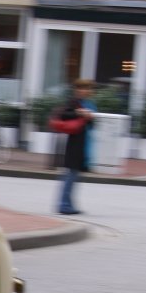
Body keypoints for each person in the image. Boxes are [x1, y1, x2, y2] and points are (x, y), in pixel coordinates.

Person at [51, 78, 97, 215]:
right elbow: (63, 115)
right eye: (82, 88)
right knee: (70, 176)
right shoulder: (73, 102)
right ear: (76, 90)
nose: (85, 91)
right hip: (74, 144)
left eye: (88, 88)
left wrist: (90, 119)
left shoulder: (90, 104)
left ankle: (69, 204)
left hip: (85, 143)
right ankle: (64, 205)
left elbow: (92, 125)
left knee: (74, 177)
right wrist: (79, 113)